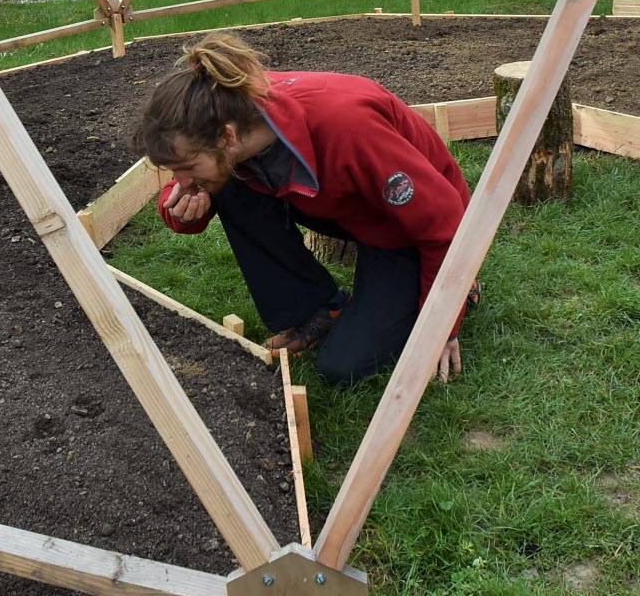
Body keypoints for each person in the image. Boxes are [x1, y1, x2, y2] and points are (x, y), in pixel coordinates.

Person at [133, 32, 478, 385]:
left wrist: (442, 324)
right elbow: (188, 189)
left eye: (187, 168)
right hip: (347, 207)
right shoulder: (231, 108)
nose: (181, 180)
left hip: (404, 226)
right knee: (226, 184)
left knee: (342, 369)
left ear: (228, 137)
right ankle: (317, 309)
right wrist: (180, 208)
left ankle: (462, 285)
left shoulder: (348, 127)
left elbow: (446, 225)